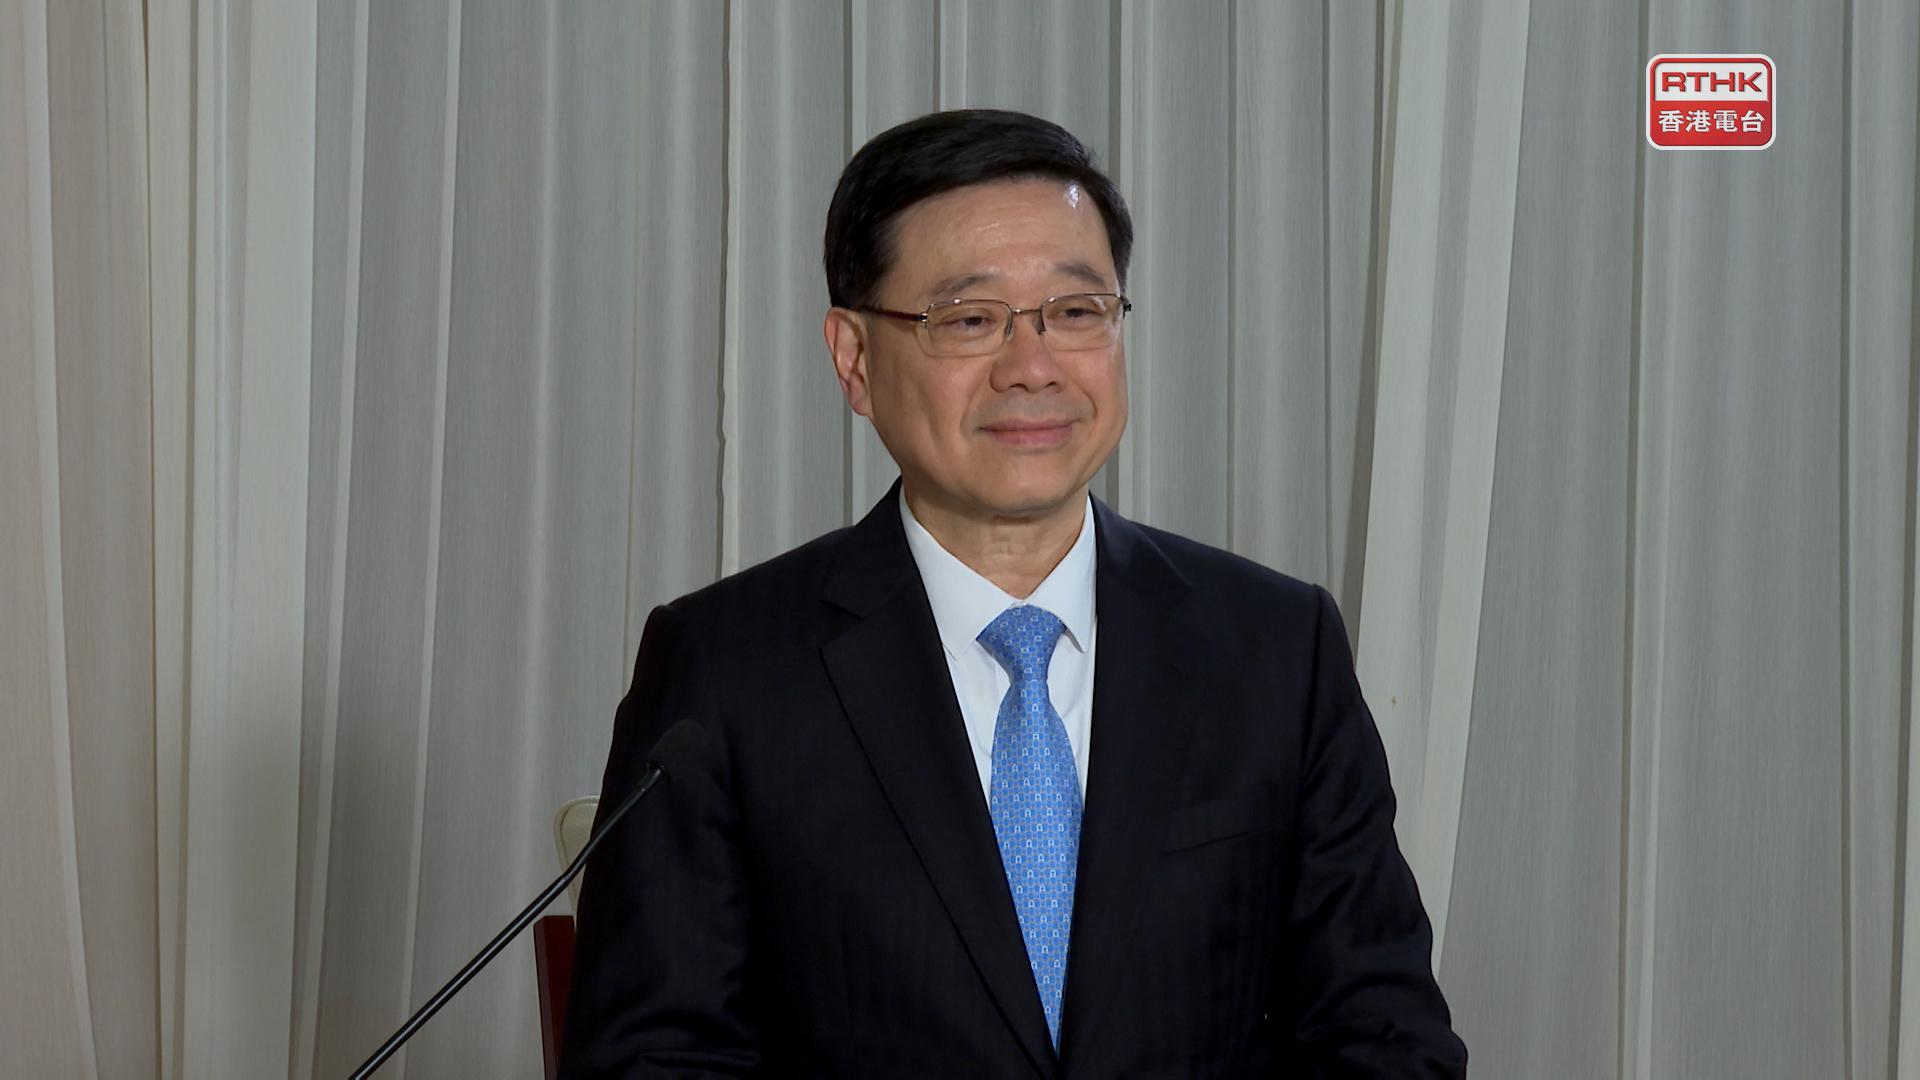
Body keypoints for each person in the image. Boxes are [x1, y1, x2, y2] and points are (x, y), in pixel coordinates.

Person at [560, 108, 1465, 1078]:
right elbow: (652, 1060)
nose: (1033, 369)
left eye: (1076, 313)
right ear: (855, 359)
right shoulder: (725, 669)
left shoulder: (1276, 648)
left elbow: (1386, 1038)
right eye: (969, 319)